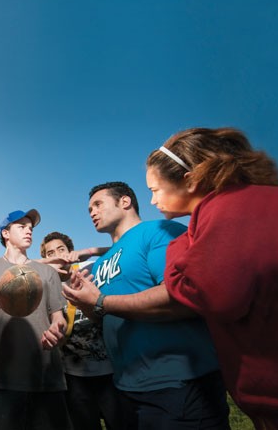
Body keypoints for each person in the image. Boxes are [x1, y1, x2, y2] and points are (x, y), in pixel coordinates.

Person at [144, 127, 278, 429]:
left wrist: (177, 245)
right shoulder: (262, 198)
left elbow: (211, 293)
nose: (153, 200)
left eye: (155, 189)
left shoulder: (225, 207)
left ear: (190, 179)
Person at [63, 181, 230, 429]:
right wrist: (86, 303)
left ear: (125, 201)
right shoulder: (101, 263)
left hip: (179, 384)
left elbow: (182, 298)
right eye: (89, 210)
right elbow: (105, 315)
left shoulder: (159, 231)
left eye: (98, 204)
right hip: (126, 387)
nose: (92, 213)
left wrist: (100, 301)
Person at [0, 209, 72, 430]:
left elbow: (58, 317)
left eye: (31, 228)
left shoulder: (47, 273)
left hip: (45, 376)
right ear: (5, 233)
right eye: (21, 226)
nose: (29, 231)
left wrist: (58, 329)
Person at [40, 231, 124, 430]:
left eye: (61, 250)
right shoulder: (48, 283)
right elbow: (20, 265)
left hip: (109, 370)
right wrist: (45, 264)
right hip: (73, 375)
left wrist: (87, 252)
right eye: (51, 253)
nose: (58, 255)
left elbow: (122, 249)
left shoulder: (90, 270)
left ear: (71, 251)